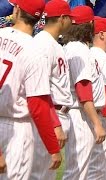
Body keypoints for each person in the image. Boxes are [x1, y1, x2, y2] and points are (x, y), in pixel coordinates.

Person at [0, 0, 62, 179]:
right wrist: (52, 148)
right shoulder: (35, 50)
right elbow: (38, 105)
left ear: (17, 9)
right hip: (17, 129)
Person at [62, 6, 106, 180]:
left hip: (77, 111)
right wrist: (97, 123)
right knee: (77, 171)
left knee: (79, 170)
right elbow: (83, 90)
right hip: (80, 114)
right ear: (88, 24)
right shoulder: (79, 49)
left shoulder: (71, 47)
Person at [29, 1, 73, 179]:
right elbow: (40, 88)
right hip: (50, 115)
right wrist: (54, 124)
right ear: (62, 18)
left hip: (58, 113)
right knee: (39, 174)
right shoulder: (43, 44)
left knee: (47, 173)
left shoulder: (53, 44)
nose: (72, 22)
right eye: (70, 18)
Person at [87, 16, 106, 179]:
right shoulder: (100, 56)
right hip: (98, 114)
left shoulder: (92, 54)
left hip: (93, 114)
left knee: (95, 166)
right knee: (97, 168)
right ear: (101, 35)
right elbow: (103, 89)